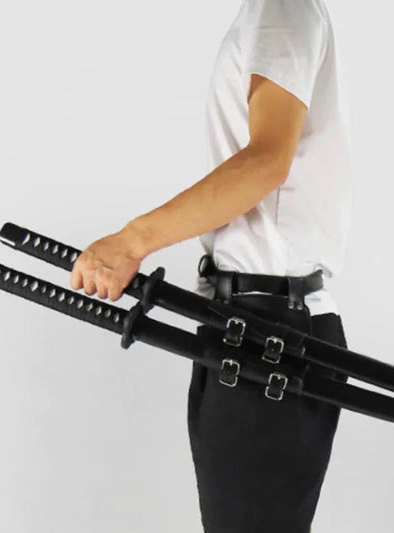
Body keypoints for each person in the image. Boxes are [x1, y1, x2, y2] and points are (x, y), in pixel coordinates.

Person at [69, 0, 353, 531]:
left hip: (271, 330)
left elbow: (266, 161)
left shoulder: (281, 7)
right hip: (252, 322)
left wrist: (132, 242)